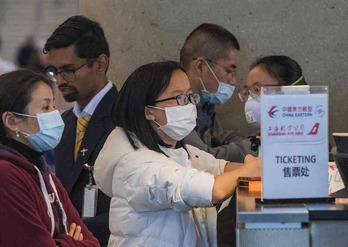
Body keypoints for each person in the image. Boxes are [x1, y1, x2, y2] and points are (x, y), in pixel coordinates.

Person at [93, 61, 261, 247]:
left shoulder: (179, 150)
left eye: (190, 96)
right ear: (149, 111)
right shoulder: (136, 166)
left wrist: (262, 168)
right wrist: (250, 168)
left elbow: (221, 168)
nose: (188, 105)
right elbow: (215, 190)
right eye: (179, 98)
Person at [0, 69, 99, 246]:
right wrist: (70, 241)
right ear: (12, 121)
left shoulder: (45, 176)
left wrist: (59, 242)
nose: (55, 113)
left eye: (53, 105)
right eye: (45, 107)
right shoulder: (6, 175)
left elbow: (92, 242)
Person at [43, 15, 118, 246]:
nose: (60, 81)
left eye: (68, 70)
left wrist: (77, 234)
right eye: (55, 72)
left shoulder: (125, 117)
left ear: (100, 64)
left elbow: (135, 203)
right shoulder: (64, 122)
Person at [180, 23, 254, 163]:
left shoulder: (203, 104)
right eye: (229, 71)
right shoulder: (172, 103)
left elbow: (223, 137)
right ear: (201, 66)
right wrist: (253, 148)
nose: (233, 81)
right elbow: (203, 158)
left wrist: (254, 143)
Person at [238, 55, 308, 153]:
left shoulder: (316, 146)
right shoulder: (251, 148)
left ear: (290, 90)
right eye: (247, 92)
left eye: (257, 89)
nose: (250, 100)